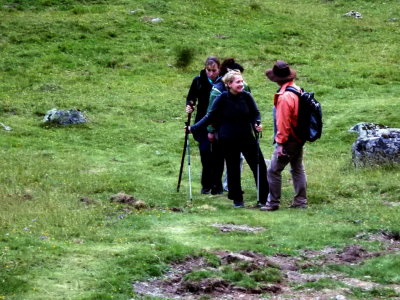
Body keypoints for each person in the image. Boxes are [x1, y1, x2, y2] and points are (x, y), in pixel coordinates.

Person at [188, 70, 269, 208]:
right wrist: (193, 128)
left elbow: (255, 113)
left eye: (242, 81)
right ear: (229, 84)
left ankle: (263, 198)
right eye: (238, 82)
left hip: (246, 137)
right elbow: (210, 116)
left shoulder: (247, 96)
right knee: (233, 168)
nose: (241, 84)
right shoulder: (222, 98)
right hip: (229, 139)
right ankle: (237, 199)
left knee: (259, 165)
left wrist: (257, 123)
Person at [261, 60, 307, 211]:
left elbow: (283, 123)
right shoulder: (297, 89)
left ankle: (272, 203)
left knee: (273, 170)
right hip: (299, 137)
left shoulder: (285, 97)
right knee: (297, 168)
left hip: (289, 140)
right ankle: (300, 201)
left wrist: (280, 144)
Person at [207, 58, 248, 191]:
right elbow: (211, 113)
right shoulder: (217, 91)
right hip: (222, 129)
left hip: (240, 129)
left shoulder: (244, 88)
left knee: (237, 157)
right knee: (222, 157)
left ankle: (230, 184)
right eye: (238, 78)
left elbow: (250, 108)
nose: (241, 82)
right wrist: (211, 130)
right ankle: (218, 185)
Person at [185, 56, 223, 194]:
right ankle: (206, 184)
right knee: (205, 152)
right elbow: (191, 97)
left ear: (219, 69)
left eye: (214, 70)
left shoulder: (224, 81)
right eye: (208, 70)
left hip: (219, 122)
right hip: (202, 121)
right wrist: (189, 105)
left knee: (218, 154)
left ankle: (217, 186)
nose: (211, 73)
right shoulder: (198, 80)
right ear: (205, 68)